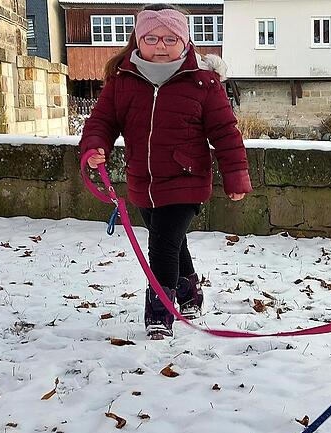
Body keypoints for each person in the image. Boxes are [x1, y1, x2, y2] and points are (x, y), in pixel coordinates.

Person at [80, 4, 252, 340]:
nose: (161, 45)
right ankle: (189, 293)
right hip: (142, 181)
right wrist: (95, 146)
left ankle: (159, 314)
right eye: (152, 38)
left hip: (187, 180)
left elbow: (225, 132)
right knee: (172, 241)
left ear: (185, 41)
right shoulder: (122, 81)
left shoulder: (203, 82)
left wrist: (235, 176)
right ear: (138, 40)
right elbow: (101, 120)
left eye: (170, 38)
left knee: (161, 246)